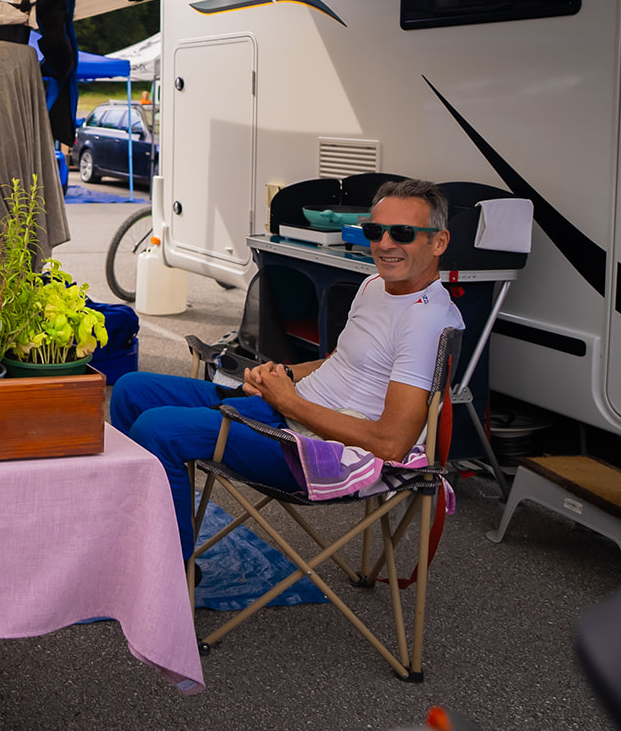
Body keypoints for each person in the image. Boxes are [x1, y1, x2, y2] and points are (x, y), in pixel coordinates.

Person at [109, 178, 465, 564]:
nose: (384, 244)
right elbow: (340, 361)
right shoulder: (374, 285)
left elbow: (392, 444)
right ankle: (138, 536)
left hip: (317, 448)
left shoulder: (425, 320)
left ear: (439, 242)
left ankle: (169, 571)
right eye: (375, 231)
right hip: (287, 410)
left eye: (402, 233)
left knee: (157, 429)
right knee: (131, 390)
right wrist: (282, 375)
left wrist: (289, 403)